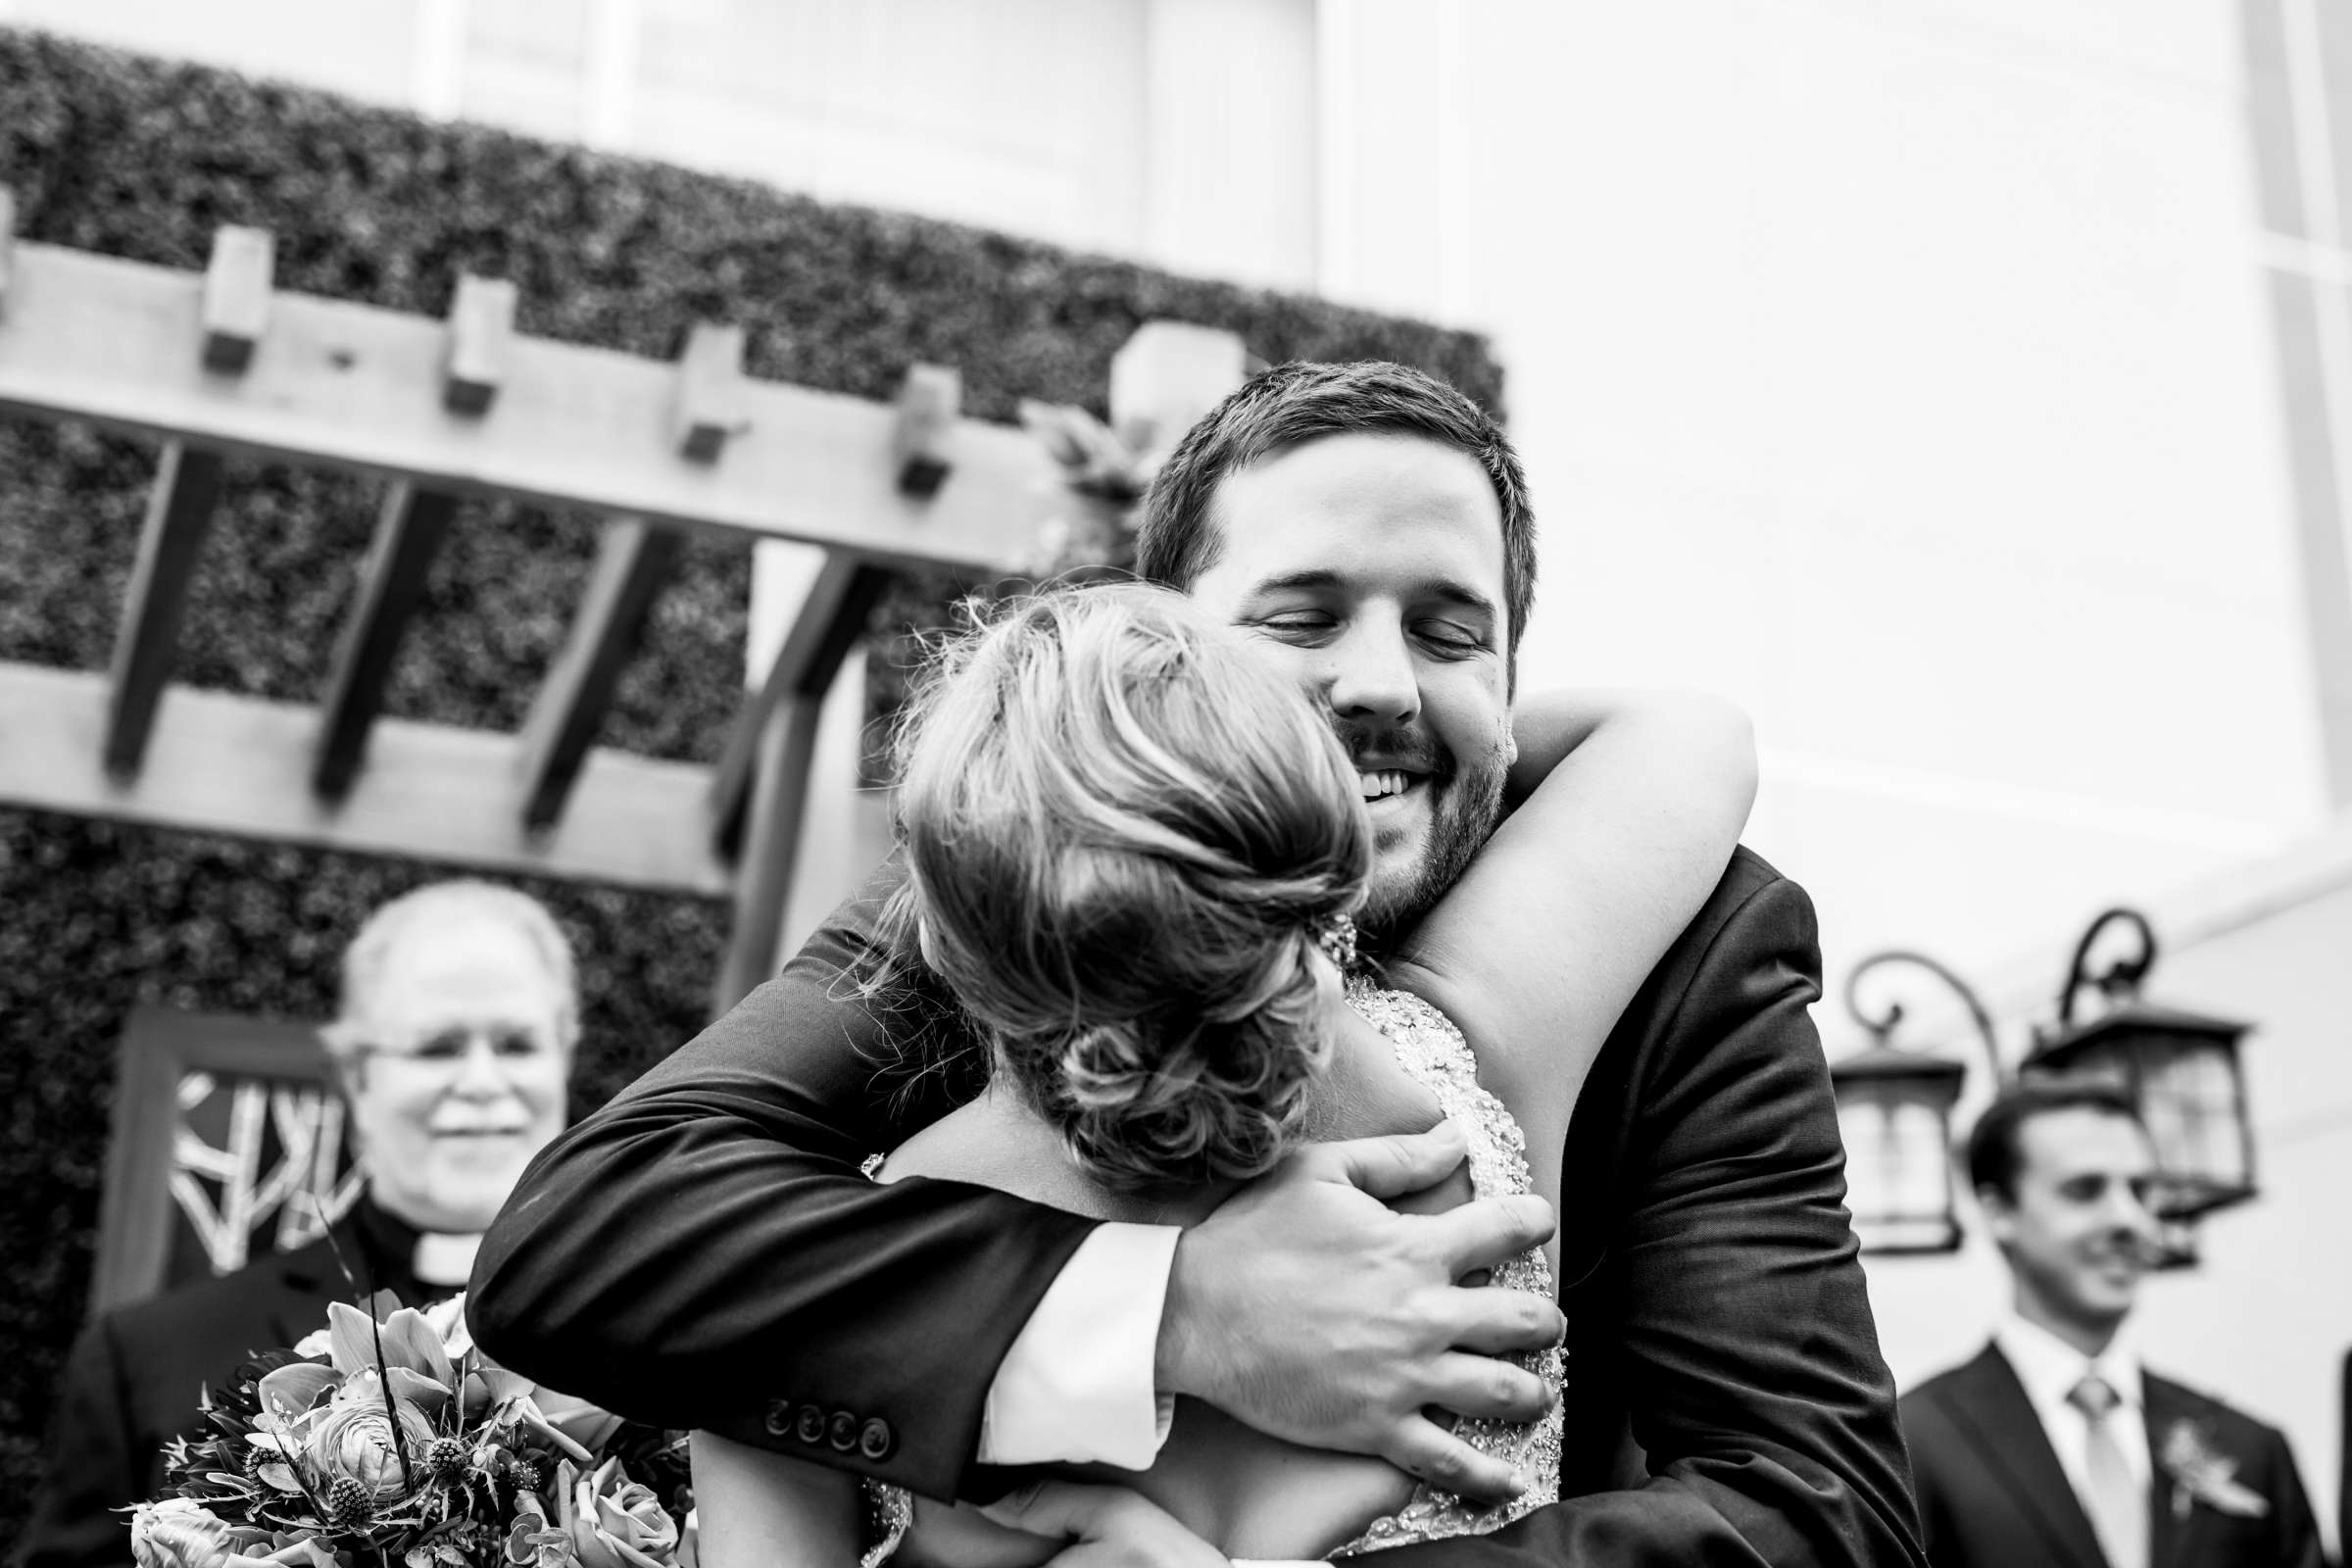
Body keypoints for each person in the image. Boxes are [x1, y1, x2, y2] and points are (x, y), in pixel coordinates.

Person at [472, 360, 1926, 1566]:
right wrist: (1173, 1310)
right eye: (1299, 621)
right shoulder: (1471, 1063)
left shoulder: (1682, 941)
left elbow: (1819, 1520)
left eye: (1449, 632)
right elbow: (586, 1237)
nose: (1373, 680)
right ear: (1178, 647)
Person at [689, 581, 1752, 1563]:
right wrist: (1424, 751)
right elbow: (1687, 736)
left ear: (942, 944)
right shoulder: (1473, 1069)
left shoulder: (796, 1319)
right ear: (1325, 866)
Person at [17, 880, 577, 1568]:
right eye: (436, 1048)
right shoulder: (148, 1358)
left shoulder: (654, 1337)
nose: (484, 1081)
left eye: (519, 1045)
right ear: (357, 1080)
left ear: (564, 1062)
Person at [1901, 1083, 2327, 1568]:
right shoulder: (1914, 1445)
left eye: (2141, 1191)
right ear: (1998, 1212)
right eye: (2085, 1190)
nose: (2130, 1219)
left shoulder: (2253, 1447)